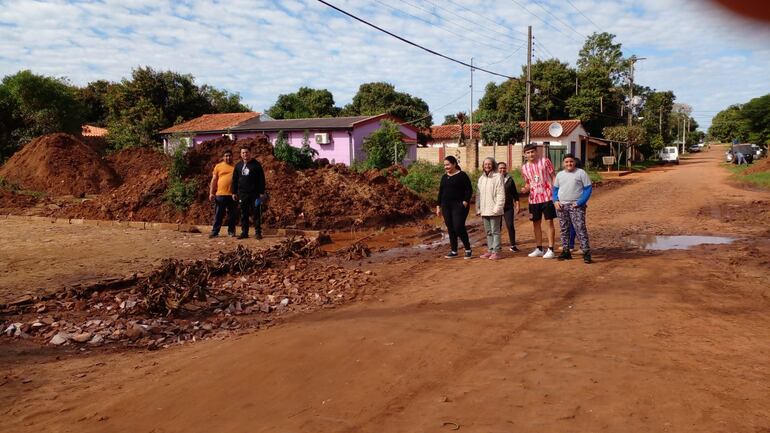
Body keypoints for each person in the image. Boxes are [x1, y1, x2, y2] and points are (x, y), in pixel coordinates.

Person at [553, 153, 593, 264]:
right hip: (562, 206)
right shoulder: (560, 175)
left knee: (580, 228)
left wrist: (580, 201)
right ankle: (566, 251)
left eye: (571, 161)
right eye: (566, 162)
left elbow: (588, 189)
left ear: (574, 162)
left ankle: (586, 252)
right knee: (564, 229)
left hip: (577, 206)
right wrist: (555, 201)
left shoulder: (581, 173)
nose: (569, 164)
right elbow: (555, 189)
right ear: (563, 163)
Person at [520, 143, 557, 259]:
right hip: (533, 199)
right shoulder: (524, 168)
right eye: (528, 153)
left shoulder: (545, 161)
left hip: (547, 197)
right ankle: (539, 248)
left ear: (537, 152)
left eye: (532, 152)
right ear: (524, 155)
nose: (531, 154)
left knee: (549, 222)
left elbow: (554, 177)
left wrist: (556, 193)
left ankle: (551, 249)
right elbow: (528, 183)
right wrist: (525, 189)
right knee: (536, 223)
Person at [436, 155, 473, 259]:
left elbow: (469, 189)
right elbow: (441, 192)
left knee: (458, 227)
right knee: (451, 228)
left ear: (454, 164)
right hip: (446, 206)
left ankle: (468, 249)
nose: (446, 167)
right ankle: (454, 251)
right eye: (444, 165)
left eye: (447, 165)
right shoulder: (444, 177)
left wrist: (465, 201)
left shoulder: (462, 175)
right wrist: (438, 206)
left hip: (459, 206)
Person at [231, 146, 266, 240]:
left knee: (256, 213)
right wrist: (234, 192)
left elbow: (261, 179)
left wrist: (261, 192)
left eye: (246, 152)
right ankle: (244, 232)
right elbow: (234, 180)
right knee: (244, 213)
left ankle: (258, 233)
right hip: (242, 194)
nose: (245, 154)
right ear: (240, 154)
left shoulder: (256, 165)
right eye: (243, 153)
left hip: (255, 195)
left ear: (250, 153)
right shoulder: (238, 165)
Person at [476, 157, 506, 260]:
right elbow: (479, 194)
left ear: (493, 165)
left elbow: (501, 194)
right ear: (483, 166)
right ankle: (490, 250)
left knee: (495, 231)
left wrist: (498, 208)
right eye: (485, 164)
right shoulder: (481, 179)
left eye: (489, 164)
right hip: (485, 210)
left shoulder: (498, 177)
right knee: (488, 232)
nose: (487, 166)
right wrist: (478, 208)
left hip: (494, 210)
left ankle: (496, 251)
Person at [208, 149, 237, 238]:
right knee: (218, 214)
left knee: (232, 215)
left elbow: (239, 181)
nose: (228, 157)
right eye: (226, 156)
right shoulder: (218, 166)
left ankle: (231, 231)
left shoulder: (236, 167)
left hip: (232, 195)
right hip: (220, 195)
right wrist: (211, 193)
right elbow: (214, 180)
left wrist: (237, 192)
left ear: (232, 156)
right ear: (223, 157)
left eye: (229, 156)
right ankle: (215, 231)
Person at [497, 161, 520, 252]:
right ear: (497, 169)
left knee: (510, 225)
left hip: (508, 207)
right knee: (497, 227)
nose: (502, 170)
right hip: (497, 207)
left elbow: (515, 193)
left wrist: (517, 204)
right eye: (500, 168)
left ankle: (513, 245)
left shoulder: (509, 179)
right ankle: (497, 246)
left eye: (504, 168)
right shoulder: (494, 179)